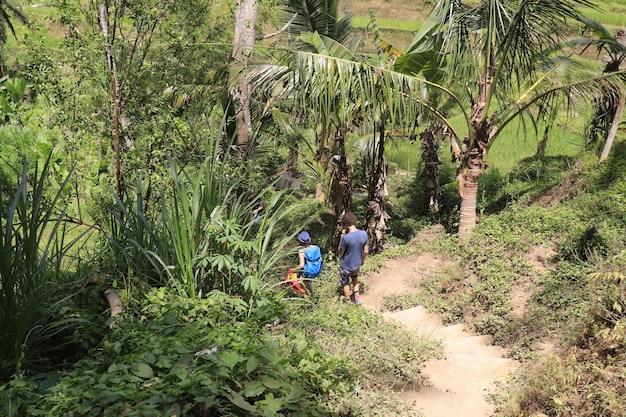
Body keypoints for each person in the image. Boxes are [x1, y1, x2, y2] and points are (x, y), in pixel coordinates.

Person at [338, 212, 369, 305]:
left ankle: (348, 301)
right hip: (357, 263)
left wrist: (342, 236)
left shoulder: (346, 238)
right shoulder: (364, 234)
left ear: (346, 224)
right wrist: (363, 260)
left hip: (346, 265)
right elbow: (366, 251)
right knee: (355, 279)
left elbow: (340, 252)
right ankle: (357, 299)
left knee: (345, 283)